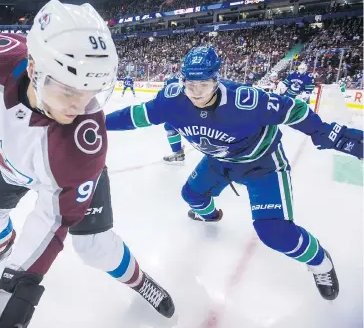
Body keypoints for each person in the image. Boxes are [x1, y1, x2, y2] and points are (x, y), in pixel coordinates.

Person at [0, 0, 174, 328]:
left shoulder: (83, 145)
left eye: (90, 91)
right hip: (13, 164)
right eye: (69, 90)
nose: (80, 105)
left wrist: (17, 283)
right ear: (34, 69)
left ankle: (139, 280)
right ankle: (2, 247)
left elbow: (52, 219)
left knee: (94, 247)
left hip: (63, 177)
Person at [105, 46, 363, 301]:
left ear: (217, 80)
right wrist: (98, 123)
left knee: (273, 232)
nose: (195, 93)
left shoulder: (246, 100)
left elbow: (292, 109)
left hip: (262, 165)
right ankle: (211, 216)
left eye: (203, 85)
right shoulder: (173, 98)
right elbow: (137, 115)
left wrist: (323, 131)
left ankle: (320, 262)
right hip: (219, 161)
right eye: (189, 84)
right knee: (192, 195)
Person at [162, 73, 184, 165]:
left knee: (169, 126)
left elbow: (165, 95)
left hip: (185, 110)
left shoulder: (170, 81)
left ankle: (178, 153)